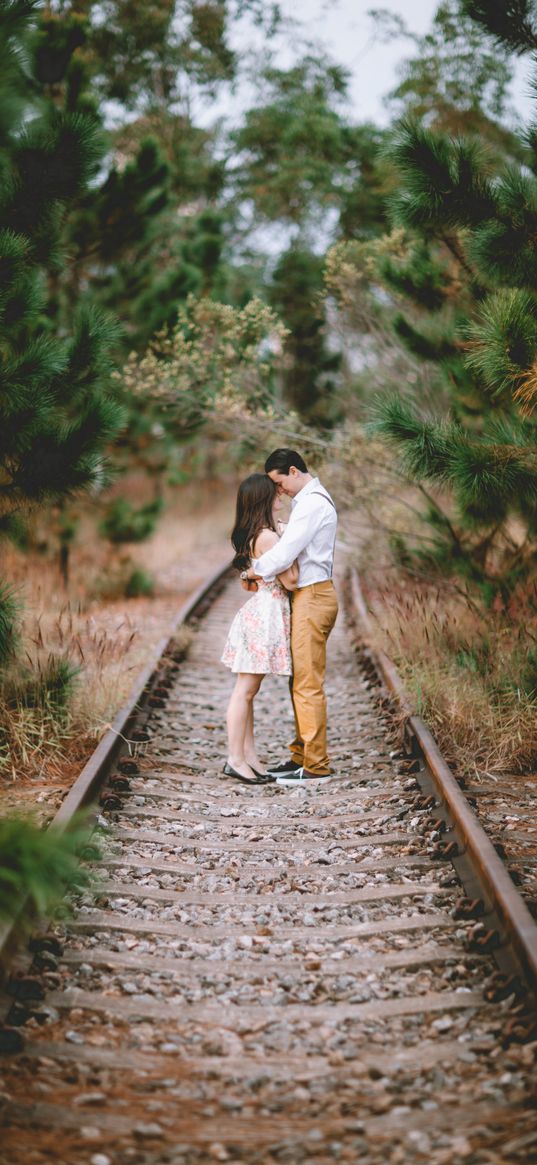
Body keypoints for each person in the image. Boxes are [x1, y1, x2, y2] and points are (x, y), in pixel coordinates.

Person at [243, 449, 338, 785]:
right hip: (309, 597)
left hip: (313, 597)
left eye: (278, 482)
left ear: (293, 471)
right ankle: (301, 755)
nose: (277, 491)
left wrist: (254, 571)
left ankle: (315, 766)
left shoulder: (312, 503)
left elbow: (285, 554)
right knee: (298, 679)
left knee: (307, 683)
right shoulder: (307, 503)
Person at [221, 473, 298, 786]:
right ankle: (235, 759)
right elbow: (291, 580)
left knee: (249, 692)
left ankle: (249, 756)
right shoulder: (267, 536)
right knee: (245, 691)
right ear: (264, 499)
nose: (280, 495)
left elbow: (253, 580)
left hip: (262, 612)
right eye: (275, 492)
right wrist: (287, 541)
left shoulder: (262, 533)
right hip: (264, 616)